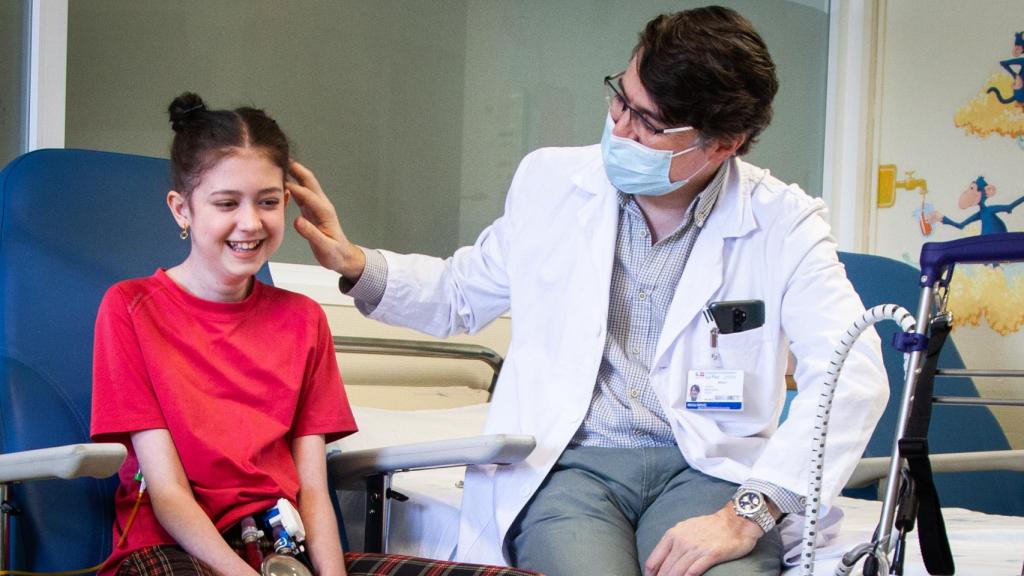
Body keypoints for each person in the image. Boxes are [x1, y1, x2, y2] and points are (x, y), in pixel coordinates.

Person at [289, 6, 886, 576]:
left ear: (723, 143)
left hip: (706, 467)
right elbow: (461, 292)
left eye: (648, 124)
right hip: (571, 466)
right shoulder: (549, 182)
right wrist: (356, 262)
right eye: (621, 98)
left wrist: (747, 515)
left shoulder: (783, 221)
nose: (619, 127)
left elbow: (851, 371)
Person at [90, 93, 356, 576]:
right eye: (227, 203)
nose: (250, 223)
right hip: (173, 549)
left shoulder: (305, 320)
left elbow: (313, 489)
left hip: (280, 550)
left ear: (286, 203)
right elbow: (168, 493)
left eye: (268, 202)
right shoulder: (130, 309)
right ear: (181, 209)